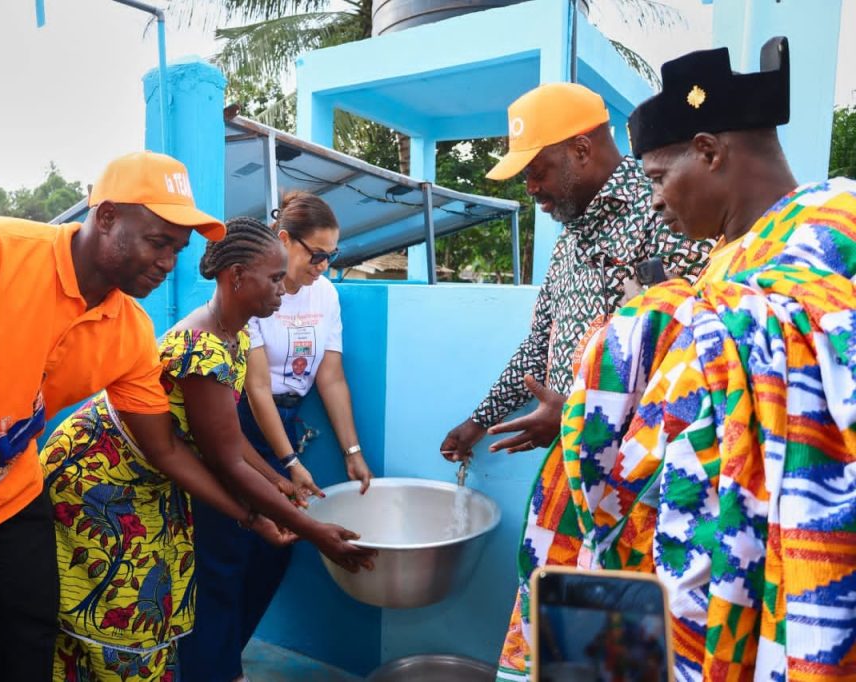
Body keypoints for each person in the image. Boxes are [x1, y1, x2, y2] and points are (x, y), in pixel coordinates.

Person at [0, 151, 293, 682]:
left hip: (5, 483)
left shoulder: (128, 329)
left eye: (178, 249)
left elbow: (164, 447)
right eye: (158, 241)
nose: (169, 262)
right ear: (107, 216)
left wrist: (252, 516)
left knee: (32, 636)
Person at [498, 38, 856, 681]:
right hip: (661, 556)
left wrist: (656, 325)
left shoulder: (833, 226)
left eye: (661, 178)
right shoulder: (725, 250)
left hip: (758, 559)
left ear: (711, 152)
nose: (658, 199)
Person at [43, 215, 374, 682]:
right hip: (98, 480)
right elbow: (225, 461)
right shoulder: (204, 347)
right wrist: (307, 529)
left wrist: (278, 481)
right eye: (275, 279)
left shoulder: (231, 337)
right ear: (236, 277)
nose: (283, 290)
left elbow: (228, 439)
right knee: (121, 606)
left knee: (165, 592)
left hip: (146, 475)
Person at [438, 83, 711, 462]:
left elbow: (686, 361)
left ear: (581, 150)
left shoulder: (663, 212)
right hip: (575, 463)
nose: (531, 188)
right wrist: (480, 420)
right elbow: (539, 345)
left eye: (537, 171)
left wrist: (574, 415)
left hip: (641, 469)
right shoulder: (570, 238)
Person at [180, 193, 373, 682]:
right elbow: (248, 406)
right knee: (223, 559)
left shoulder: (251, 323)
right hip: (233, 428)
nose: (323, 268)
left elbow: (329, 376)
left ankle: (224, 663)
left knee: (267, 552)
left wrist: (332, 457)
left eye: (333, 256)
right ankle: (215, 669)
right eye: (317, 255)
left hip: (265, 439)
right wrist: (288, 476)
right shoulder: (219, 334)